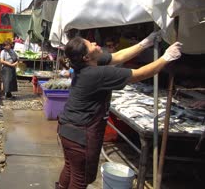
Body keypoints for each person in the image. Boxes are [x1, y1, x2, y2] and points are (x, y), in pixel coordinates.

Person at [56, 32, 182, 189]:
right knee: (80, 178)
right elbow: (140, 74)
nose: (95, 43)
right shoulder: (97, 73)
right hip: (81, 134)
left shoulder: (87, 63)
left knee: (71, 168)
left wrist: (144, 43)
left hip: (66, 129)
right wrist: (166, 58)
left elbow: (118, 56)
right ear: (86, 57)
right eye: (91, 44)